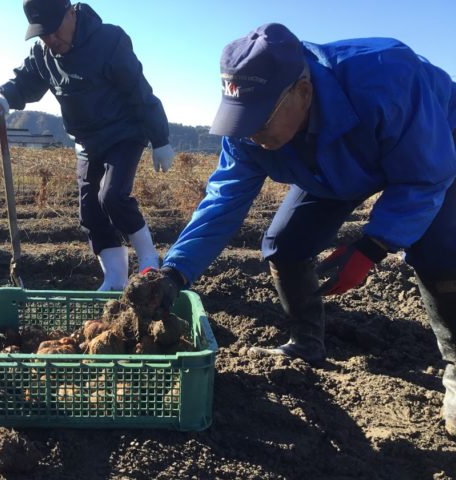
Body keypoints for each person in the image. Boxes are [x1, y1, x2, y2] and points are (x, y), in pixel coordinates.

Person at [148, 23, 456, 436]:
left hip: (434, 147)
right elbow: (223, 200)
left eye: (261, 122)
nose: (252, 137)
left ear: (303, 92)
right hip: (331, 163)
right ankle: (306, 342)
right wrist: (176, 271)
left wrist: (373, 246)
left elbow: (424, 178)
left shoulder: (388, 78)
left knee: (440, 252)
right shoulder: (249, 130)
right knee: (284, 243)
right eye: (242, 122)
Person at [0, 0, 174, 291]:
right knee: (90, 212)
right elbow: (26, 81)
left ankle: (149, 257)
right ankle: (115, 277)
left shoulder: (109, 41)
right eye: (41, 34)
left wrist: (160, 139)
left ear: (70, 13)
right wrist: (4, 95)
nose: (50, 39)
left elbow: (138, 89)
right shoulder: (43, 53)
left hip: (123, 133)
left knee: (111, 197)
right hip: (86, 140)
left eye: (53, 30)